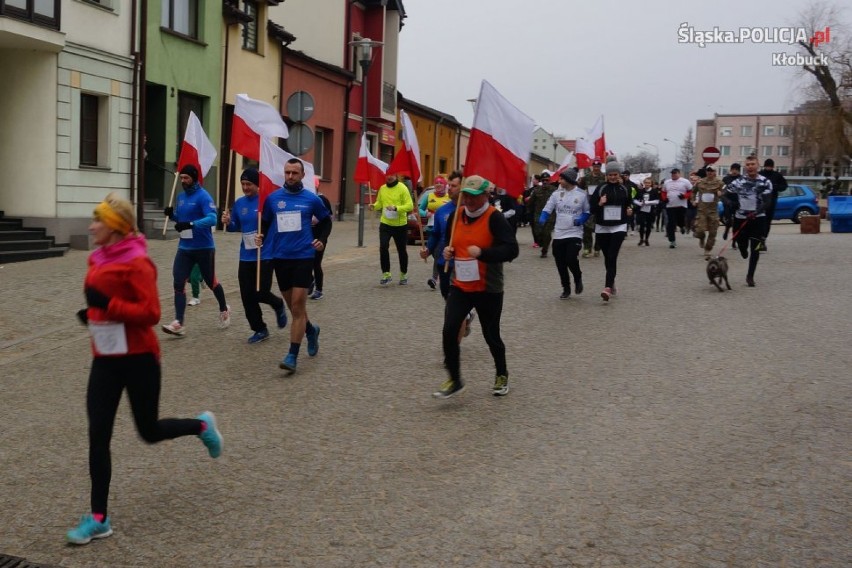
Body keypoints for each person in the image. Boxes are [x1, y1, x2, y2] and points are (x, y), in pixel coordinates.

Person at [67, 193, 223, 545]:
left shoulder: (138, 262)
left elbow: (151, 314)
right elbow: (103, 306)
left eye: (98, 221)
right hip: (105, 359)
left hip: (139, 359)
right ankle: (99, 518)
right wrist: (91, 315)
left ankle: (201, 425)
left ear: (116, 227)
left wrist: (106, 305)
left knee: (149, 431)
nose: (92, 227)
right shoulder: (98, 258)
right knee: (98, 435)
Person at [433, 175, 519, 399]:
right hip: (461, 284)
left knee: (491, 335)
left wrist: (484, 253)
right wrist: (447, 252)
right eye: (466, 196)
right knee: (450, 329)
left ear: (485, 196)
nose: (469, 201)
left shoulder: (495, 218)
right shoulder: (456, 215)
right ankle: (455, 379)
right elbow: (451, 244)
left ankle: (501, 374)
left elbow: (512, 250)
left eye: (474, 196)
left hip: (488, 287)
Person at [258, 158, 331, 372]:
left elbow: (326, 220)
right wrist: (260, 236)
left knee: (298, 306)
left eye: (294, 173)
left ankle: (292, 356)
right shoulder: (272, 199)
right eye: (287, 172)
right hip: (280, 257)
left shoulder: (311, 199)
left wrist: (322, 240)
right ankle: (311, 330)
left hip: (303, 256)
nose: (290, 177)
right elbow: (265, 222)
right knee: (292, 307)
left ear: (302, 175)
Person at [221, 167, 288, 344]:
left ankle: (278, 304)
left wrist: (266, 236)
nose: (245, 187)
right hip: (246, 256)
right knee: (246, 296)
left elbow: (278, 222)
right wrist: (229, 222)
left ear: (257, 185)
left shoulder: (266, 202)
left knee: (260, 292)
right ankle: (260, 329)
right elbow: (236, 226)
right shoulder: (240, 203)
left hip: (265, 254)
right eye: (243, 184)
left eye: (249, 184)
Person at [161, 164, 230, 336]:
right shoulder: (181, 197)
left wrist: (192, 224)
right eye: (182, 178)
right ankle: (179, 322)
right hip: (184, 247)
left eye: (186, 178)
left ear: (194, 178)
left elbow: (213, 219)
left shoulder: (203, 196)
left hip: (204, 247)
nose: (183, 181)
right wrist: (172, 215)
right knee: (178, 282)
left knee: (210, 280)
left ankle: (224, 308)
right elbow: (181, 218)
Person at [538, 170, 589, 299]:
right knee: (560, 262)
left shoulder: (582, 194)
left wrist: (581, 220)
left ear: (569, 180)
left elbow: (587, 211)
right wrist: (543, 217)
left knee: (571, 258)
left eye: (561, 179)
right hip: (559, 233)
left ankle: (578, 278)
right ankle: (566, 288)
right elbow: (548, 208)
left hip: (574, 232)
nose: (559, 181)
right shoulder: (556, 194)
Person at [725, 155, 772, 286]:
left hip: (758, 218)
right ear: (745, 167)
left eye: (753, 164)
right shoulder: (738, 182)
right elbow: (724, 195)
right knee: (741, 243)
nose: (750, 167)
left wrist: (757, 212)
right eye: (748, 164)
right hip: (741, 218)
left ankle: (750, 276)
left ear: (758, 166)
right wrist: (730, 203)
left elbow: (768, 202)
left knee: (755, 248)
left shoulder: (765, 182)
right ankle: (742, 248)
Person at [590, 160, 634, 301]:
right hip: (602, 227)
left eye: (615, 174)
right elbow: (592, 209)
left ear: (619, 174)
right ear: (607, 175)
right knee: (607, 256)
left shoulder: (624, 189)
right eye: (610, 175)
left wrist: (630, 210)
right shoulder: (601, 188)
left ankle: (607, 287)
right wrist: (600, 203)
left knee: (612, 255)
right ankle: (612, 281)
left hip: (619, 227)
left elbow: (629, 204)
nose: (613, 177)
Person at [370, 173, 414, 286]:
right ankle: (386, 274)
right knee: (383, 247)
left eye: (392, 175)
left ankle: (403, 274)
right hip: (385, 223)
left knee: (401, 250)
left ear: (396, 175)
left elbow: (410, 206)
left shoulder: (402, 188)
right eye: (387, 175)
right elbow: (380, 203)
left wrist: (396, 208)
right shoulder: (382, 188)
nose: (389, 177)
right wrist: (374, 206)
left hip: (400, 225)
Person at [419, 175, 451, 289]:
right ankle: (442, 271)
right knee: (433, 252)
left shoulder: (449, 197)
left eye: (441, 184)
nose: (438, 185)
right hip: (431, 229)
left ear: (445, 185)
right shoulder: (428, 196)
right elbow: (419, 209)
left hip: (443, 231)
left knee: (438, 252)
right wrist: (425, 214)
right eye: (436, 183)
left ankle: (434, 278)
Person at [692, 166, 724, 259]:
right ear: (706, 172)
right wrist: (693, 200)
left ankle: (708, 249)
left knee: (713, 232)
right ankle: (701, 237)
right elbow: (693, 192)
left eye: (712, 171)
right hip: (702, 210)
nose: (710, 173)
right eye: (708, 171)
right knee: (700, 230)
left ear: (715, 172)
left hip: (713, 211)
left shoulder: (720, 183)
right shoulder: (700, 182)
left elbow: (726, 191)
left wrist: (721, 193)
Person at [308, 184, 333, 300]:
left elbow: (329, 220)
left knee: (315, 262)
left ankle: (319, 290)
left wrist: (322, 239)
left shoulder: (322, 200)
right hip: (306, 237)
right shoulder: (303, 199)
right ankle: (310, 280)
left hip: (319, 238)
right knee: (304, 262)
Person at [759, 158, 788, 249]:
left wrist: (776, 187)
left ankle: (763, 240)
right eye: (767, 166)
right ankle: (758, 239)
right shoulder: (760, 174)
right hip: (760, 201)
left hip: (771, 201)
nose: (768, 168)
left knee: (767, 221)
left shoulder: (777, 175)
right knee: (759, 221)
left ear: (772, 167)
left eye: (770, 166)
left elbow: (784, 186)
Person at [579, 159, 606, 257]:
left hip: (600, 206)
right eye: (594, 166)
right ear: (592, 167)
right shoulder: (586, 178)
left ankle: (597, 248)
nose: (596, 168)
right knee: (587, 228)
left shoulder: (604, 177)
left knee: (599, 228)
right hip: (588, 205)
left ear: (600, 167)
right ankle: (587, 248)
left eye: (598, 166)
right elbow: (580, 190)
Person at [661, 168, 693, 249]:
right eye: (672, 174)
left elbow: (691, 191)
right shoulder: (667, 182)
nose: (673, 175)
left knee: (680, 220)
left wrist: (684, 196)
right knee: (670, 224)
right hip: (670, 206)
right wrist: (664, 198)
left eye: (675, 174)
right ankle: (672, 241)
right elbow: (663, 192)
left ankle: (682, 226)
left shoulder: (685, 181)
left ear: (679, 174)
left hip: (681, 205)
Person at [527, 172, 556, 257]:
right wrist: (528, 211)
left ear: (549, 180)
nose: (545, 182)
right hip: (538, 215)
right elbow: (530, 202)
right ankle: (541, 243)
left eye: (547, 180)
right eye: (543, 180)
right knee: (538, 233)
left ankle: (545, 250)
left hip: (550, 216)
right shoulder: (536, 190)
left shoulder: (554, 190)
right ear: (541, 181)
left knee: (547, 233)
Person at [633, 177, 660, 246]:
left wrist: (648, 202)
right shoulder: (640, 191)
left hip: (650, 210)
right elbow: (634, 200)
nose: (647, 184)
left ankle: (647, 239)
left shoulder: (654, 191)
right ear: (644, 183)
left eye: (649, 183)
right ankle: (641, 239)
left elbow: (657, 201)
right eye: (646, 183)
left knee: (648, 226)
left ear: (651, 184)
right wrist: (639, 203)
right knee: (641, 225)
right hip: (642, 210)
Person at [722, 163, 742, 246]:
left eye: (736, 170)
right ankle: (727, 229)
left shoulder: (742, 179)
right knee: (729, 220)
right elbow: (722, 191)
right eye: (733, 169)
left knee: (737, 223)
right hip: (727, 202)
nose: (734, 171)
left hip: (738, 202)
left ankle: (734, 241)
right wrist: (725, 200)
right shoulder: (726, 179)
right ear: (731, 170)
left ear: (739, 170)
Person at [620, 170, 640, 236]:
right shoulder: (621, 183)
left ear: (629, 176)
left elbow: (637, 194)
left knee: (631, 217)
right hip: (622, 202)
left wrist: (635, 201)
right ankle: (624, 231)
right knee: (623, 217)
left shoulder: (633, 184)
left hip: (631, 202)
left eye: (626, 175)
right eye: (624, 175)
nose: (625, 176)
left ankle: (632, 229)